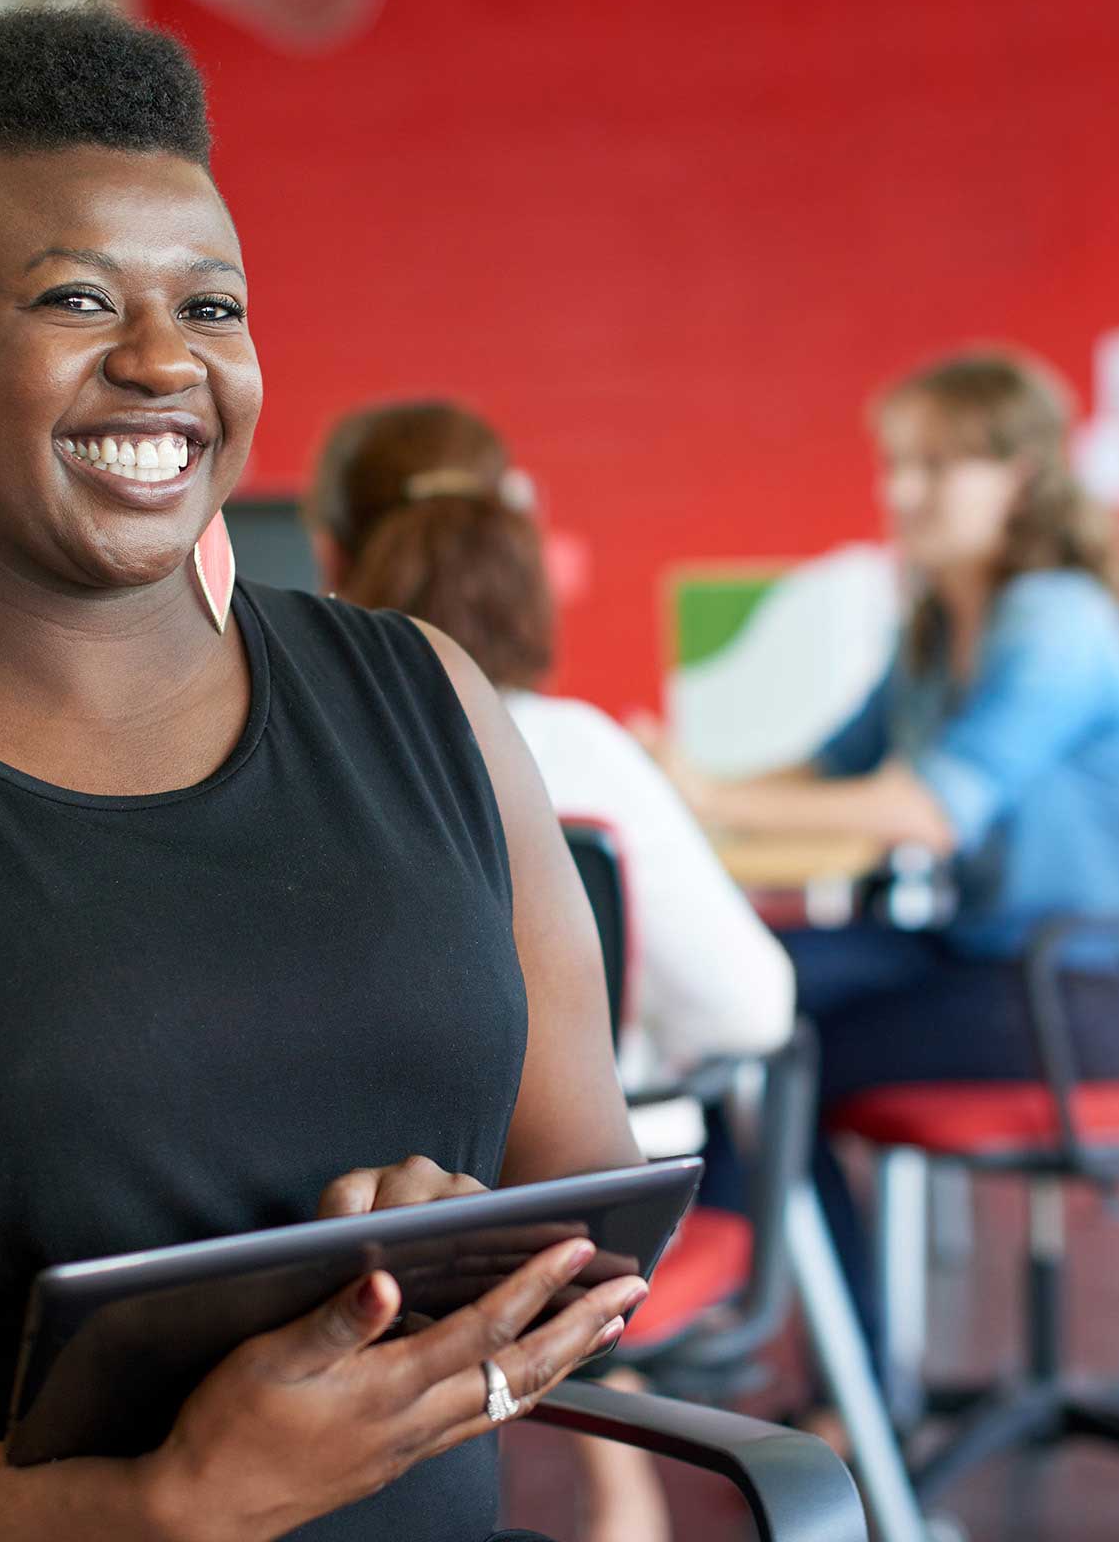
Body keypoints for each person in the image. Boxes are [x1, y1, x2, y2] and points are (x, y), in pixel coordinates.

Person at [0, 7, 645, 1542]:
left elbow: (587, 1189)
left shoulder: (429, 700)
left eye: (210, 306)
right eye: (75, 299)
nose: (162, 363)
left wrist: (475, 1257)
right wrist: (159, 1506)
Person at [309, 401, 794, 1542]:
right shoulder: (580, 752)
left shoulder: (302, 770)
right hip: (578, 1209)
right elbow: (755, 1005)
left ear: (329, 559)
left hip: (347, 1221)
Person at [644, 347, 1119, 1348]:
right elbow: (832, 766)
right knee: (730, 987)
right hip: (987, 953)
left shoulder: (1056, 618)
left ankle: (824, 1363)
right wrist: (674, 788)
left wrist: (706, 794)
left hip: (1092, 993)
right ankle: (732, 1300)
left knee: (770, 1050)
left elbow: (927, 810)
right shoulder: (941, 622)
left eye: (936, 467)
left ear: (1019, 478)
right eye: (896, 463)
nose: (901, 491)